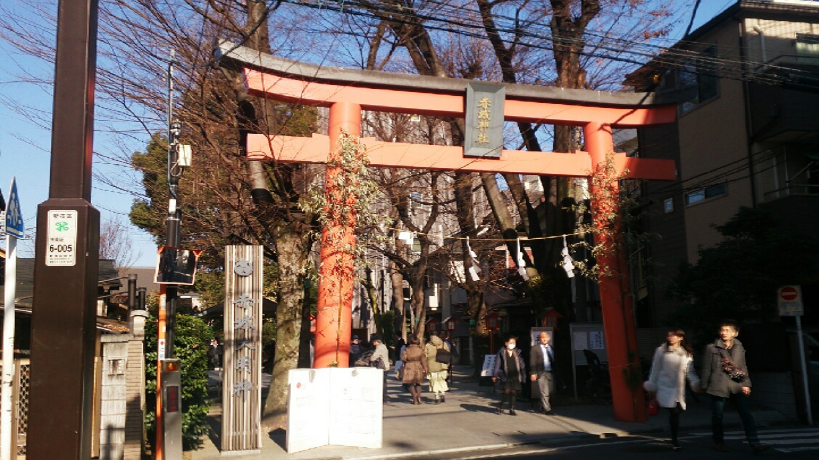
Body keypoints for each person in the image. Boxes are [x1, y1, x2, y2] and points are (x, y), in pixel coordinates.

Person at [701, 320, 768, 454]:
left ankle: (754, 442)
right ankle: (718, 442)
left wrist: (746, 384)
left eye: (727, 330)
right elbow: (707, 368)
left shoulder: (739, 346)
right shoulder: (712, 347)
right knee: (718, 416)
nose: (724, 333)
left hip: (737, 385)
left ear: (735, 333)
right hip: (718, 385)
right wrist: (703, 385)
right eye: (722, 330)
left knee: (746, 414)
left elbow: (742, 367)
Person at [644, 328, 701, 451]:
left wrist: (695, 382)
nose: (670, 337)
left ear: (681, 338)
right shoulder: (661, 350)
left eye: (674, 335)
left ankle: (674, 437)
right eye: (669, 335)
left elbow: (689, 371)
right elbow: (655, 368)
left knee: (677, 412)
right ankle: (675, 440)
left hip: (678, 388)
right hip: (663, 386)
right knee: (674, 412)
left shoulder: (686, 352)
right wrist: (652, 384)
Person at [493, 335, 526, 415]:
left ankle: (512, 409)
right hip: (505, 375)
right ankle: (501, 406)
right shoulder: (501, 352)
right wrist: (495, 374)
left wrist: (523, 375)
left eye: (514, 343)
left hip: (515, 375)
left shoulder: (517, 352)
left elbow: (522, 364)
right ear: (506, 343)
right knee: (506, 391)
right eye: (511, 342)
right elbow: (497, 364)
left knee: (514, 392)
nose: (512, 344)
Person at [529, 331, 557, 415]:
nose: (544, 339)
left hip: (551, 371)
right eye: (542, 337)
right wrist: (533, 373)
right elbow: (532, 361)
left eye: (546, 337)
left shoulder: (551, 348)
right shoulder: (535, 348)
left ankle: (541, 405)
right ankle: (547, 409)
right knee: (544, 391)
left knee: (551, 391)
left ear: (549, 338)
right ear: (540, 339)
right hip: (541, 372)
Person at [424, 332, 451, 404]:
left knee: (434, 381)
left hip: (432, 366)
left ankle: (437, 396)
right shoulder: (443, 344)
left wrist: (425, 366)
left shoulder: (428, 345)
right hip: (443, 365)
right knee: (442, 380)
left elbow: (425, 356)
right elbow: (448, 353)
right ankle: (443, 393)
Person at [401, 336, 428, 404]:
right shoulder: (420, 350)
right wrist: (425, 368)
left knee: (411, 383)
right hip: (418, 365)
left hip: (409, 366)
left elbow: (404, 358)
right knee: (418, 383)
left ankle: (414, 398)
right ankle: (419, 397)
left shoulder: (407, 349)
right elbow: (424, 360)